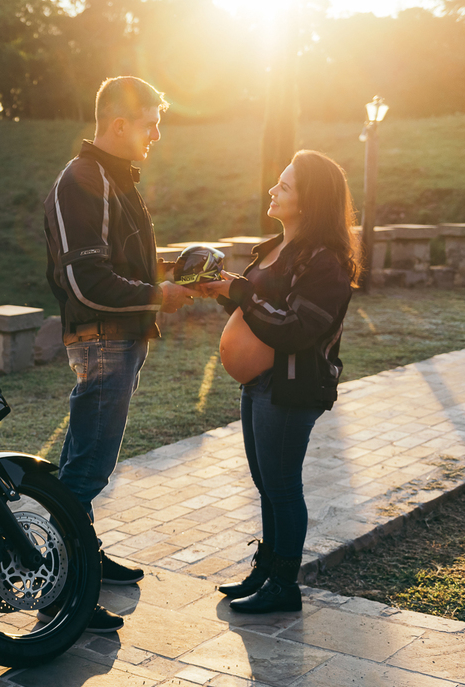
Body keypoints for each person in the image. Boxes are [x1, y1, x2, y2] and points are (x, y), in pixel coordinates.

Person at [43, 76, 199, 633]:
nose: (157, 133)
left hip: (119, 338)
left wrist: (173, 280)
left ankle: (82, 553)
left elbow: (119, 264)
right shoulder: (82, 179)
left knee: (83, 458)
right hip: (103, 338)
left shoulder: (112, 178)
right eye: (151, 122)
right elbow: (85, 280)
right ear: (118, 125)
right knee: (86, 468)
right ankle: (64, 588)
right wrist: (158, 295)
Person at [199, 150, 361, 614]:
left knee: (283, 485)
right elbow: (256, 312)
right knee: (266, 481)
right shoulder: (276, 248)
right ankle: (267, 568)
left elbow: (293, 327)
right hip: (259, 383)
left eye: (285, 186)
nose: (273, 190)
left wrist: (241, 292)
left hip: (291, 388)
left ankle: (284, 585)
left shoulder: (325, 262)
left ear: (310, 201)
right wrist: (220, 289)